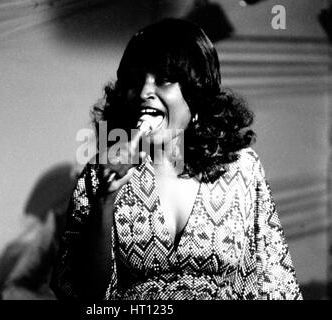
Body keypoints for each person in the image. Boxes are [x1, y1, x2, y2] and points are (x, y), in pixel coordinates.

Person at [50, 18, 302, 300]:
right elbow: (86, 296)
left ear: (195, 96)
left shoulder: (241, 168)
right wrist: (105, 203)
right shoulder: (101, 172)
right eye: (136, 81)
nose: (145, 92)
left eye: (163, 80)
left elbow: (274, 286)